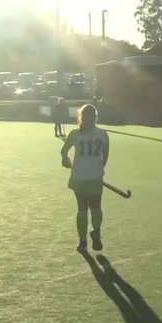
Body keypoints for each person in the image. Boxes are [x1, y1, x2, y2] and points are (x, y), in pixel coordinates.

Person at [60, 104, 110, 252]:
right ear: (95, 118)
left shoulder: (75, 134)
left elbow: (63, 152)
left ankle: (82, 242)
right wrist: (98, 169)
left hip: (79, 177)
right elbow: (105, 157)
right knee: (96, 207)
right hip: (95, 177)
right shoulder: (103, 134)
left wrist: (66, 161)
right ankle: (97, 231)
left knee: (82, 209)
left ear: (81, 117)